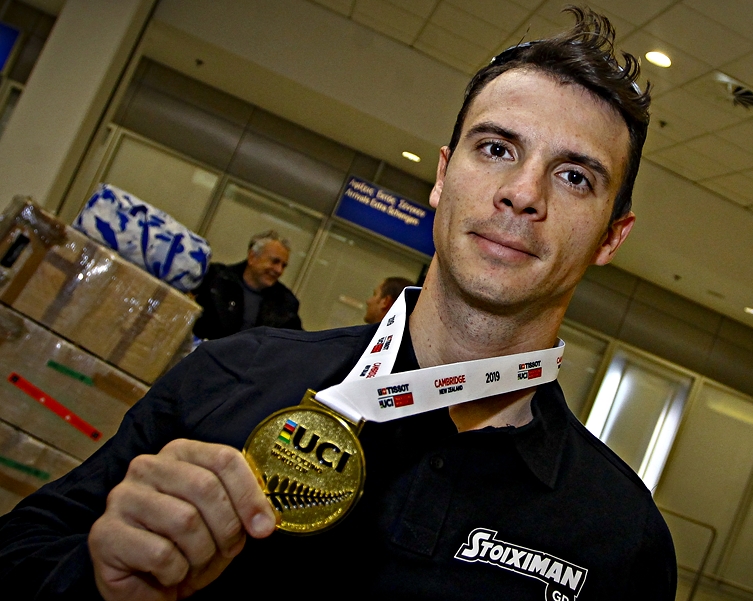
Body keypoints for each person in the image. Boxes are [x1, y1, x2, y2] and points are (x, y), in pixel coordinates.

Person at [0, 7, 676, 600]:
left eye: (574, 176)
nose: (523, 193)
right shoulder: (233, 377)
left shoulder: (620, 537)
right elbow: (19, 553)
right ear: (443, 176)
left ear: (610, 237)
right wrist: (96, 581)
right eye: (497, 148)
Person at [191, 230, 302, 340]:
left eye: (283, 266)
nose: (279, 270)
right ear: (252, 257)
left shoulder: (286, 303)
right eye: (275, 261)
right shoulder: (214, 279)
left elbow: (296, 341)